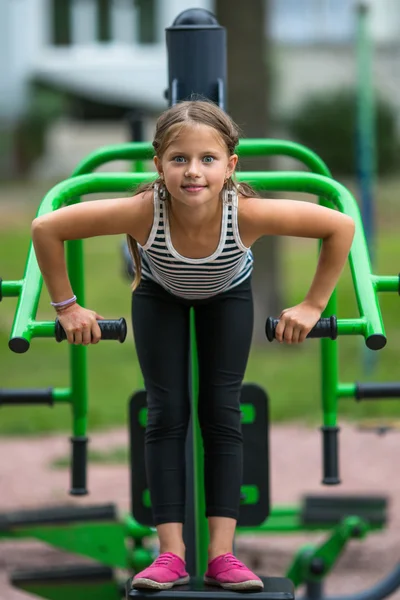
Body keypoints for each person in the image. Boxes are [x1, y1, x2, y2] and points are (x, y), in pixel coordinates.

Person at [31, 100, 355, 592]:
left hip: (228, 293)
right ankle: (171, 554)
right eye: (179, 159)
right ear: (158, 165)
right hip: (159, 294)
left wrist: (312, 305)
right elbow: (46, 229)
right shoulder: (143, 209)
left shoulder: (246, 213)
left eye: (208, 159)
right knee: (166, 412)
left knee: (222, 412)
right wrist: (67, 307)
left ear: (231, 166)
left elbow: (340, 226)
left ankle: (223, 555)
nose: (193, 171)